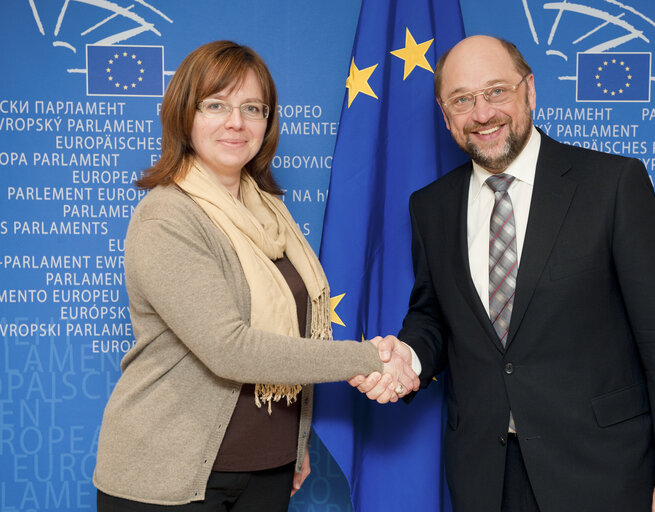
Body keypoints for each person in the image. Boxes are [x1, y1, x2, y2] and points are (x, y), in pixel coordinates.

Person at [350, 35, 655, 512]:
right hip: (485, 475)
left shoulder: (612, 184)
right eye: (462, 100)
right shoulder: (431, 206)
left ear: (529, 91)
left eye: (496, 91)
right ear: (445, 115)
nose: (482, 114)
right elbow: (434, 317)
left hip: (603, 470)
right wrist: (411, 359)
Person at [92, 40, 417, 512]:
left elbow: (292, 329)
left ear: (268, 122)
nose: (236, 122)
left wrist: (292, 437)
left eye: (252, 108)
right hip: (169, 479)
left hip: (269, 469)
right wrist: (367, 358)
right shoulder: (166, 217)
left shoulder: (269, 212)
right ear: (185, 114)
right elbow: (231, 349)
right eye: (216, 105)